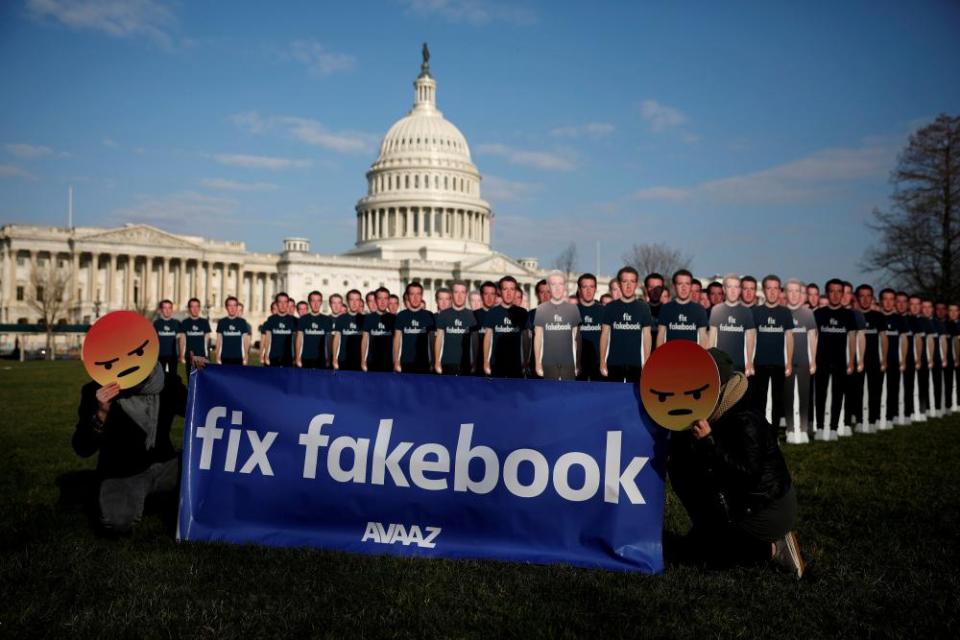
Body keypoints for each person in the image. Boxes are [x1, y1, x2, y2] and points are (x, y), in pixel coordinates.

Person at [667, 348, 803, 578]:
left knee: (715, 559)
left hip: (766, 509)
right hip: (745, 501)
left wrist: (708, 443)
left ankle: (772, 547)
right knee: (682, 465)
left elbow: (747, 475)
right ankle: (709, 532)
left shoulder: (744, 418)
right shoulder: (719, 409)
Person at [73, 355, 206, 534]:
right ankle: (134, 496)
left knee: (203, 468)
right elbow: (82, 447)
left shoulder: (167, 383)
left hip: (165, 465)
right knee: (117, 522)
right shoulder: (96, 391)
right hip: (123, 473)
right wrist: (101, 414)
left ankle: (161, 496)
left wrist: (199, 376)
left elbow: (198, 410)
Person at [813, 279, 857, 439]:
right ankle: (819, 427)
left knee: (838, 394)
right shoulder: (818, 313)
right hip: (821, 360)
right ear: (827, 292)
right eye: (832, 291)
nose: (836, 294)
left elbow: (852, 339)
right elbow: (813, 338)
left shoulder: (849, 315)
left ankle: (833, 428)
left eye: (839, 291)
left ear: (843, 293)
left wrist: (851, 360)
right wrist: (812, 360)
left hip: (841, 361)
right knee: (820, 394)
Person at [750, 275, 793, 429]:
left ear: (780, 291)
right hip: (760, 363)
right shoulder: (756, 312)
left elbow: (789, 337)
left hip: (779, 363)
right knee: (759, 400)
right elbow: (751, 337)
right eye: (769, 288)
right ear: (764, 291)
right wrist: (749, 361)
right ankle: (760, 432)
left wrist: (788, 361)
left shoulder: (785, 313)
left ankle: (773, 434)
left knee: (777, 400)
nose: (773, 292)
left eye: (776, 288)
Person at [599, 266, 653, 383]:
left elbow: (647, 336)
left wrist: (647, 362)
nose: (628, 286)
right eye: (624, 282)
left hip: (636, 364)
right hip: (614, 363)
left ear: (637, 284)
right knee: (613, 398)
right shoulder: (610, 307)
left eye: (632, 281)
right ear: (619, 284)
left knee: (635, 399)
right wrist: (602, 360)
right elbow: (604, 335)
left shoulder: (643, 308)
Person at [783, 279, 817, 442]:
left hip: (804, 361)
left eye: (797, 291)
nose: (794, 294)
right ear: (785, 293)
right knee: (788, 395)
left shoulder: (808, 313)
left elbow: (812, 337)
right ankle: (790, 429)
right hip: (786, 362)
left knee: (804, 395)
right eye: (790, 291)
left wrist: (813, 360)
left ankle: (802, 429)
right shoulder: (782, 312)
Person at [533, 271, 581, 381]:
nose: (557, 288)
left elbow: (576, 339)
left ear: (564, 286)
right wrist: (537, 363)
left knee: (568, 395)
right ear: (549, 287)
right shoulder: (541, 309)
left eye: (560, 284)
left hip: (568, 363)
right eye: (553, 284)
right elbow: (538, 338)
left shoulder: (573, 309)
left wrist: (577, 362)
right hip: (548, 363)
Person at [708, 274, 756, 375]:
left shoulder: (746, 311)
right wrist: (710, 360)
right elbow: (712, 337)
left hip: (739, 364)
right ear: (724, 289)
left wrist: (749, 362)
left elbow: (750, 338)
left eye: (736, 287)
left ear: (740, 290)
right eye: (730, 287)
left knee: (738, 390)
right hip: (720, 363)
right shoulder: (716, 310)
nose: (733, 291)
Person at [483, 276, 529, 378]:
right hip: (496, 363)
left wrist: (526, 362)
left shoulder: (522, 313)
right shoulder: (493, 312)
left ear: (515, 291)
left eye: (512, 289)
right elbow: (487, 338)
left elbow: (526, 339)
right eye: (505, 289)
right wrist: (486, 362)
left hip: (516, 364)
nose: (508, 293)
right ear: (500, 291)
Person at [856, 285, 887, 432]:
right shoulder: (853, 315)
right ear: (857, 298)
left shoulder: (879, 317)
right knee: (857, 391)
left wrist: (884, 359)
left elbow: (883, 339)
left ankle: (873, 420)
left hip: (875, 359)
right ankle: (859, 420)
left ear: (873, 298)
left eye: (868, 296)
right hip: (856, 360)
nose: (865, 299)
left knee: (875, 390)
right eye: (862, 296)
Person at [434, 281, 477, 375]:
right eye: (456, 292)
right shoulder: (443, 315)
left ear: (466, 294)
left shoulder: (472, 315)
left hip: (466, 363)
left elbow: (474, 341)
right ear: (452, 294)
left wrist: (475, 362)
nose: (459, 296)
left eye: (462, 292)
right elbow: (439, 339)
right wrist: (437, 362)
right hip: (447, 363)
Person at [656, 269, 708, 347]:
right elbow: (660, 336)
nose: (684, 288)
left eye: (687, 284)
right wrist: (659, 357)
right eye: (680, 284)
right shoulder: (666, 309)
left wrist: (703, 358)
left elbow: (703, 338)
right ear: (674, 286)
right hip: (670, 356)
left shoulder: (699, 310)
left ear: (691, 286)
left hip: (693, 357)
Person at [879, 288, 907, 427]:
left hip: (894, 359)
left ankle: (891, 414)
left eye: (891, 299)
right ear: (880, 301)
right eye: (886, 299)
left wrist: (903, 359)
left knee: (893, 388)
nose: (888, 302)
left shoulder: (899, 319)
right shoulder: (876, 317)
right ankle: (876, 416)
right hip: (877, 360)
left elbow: (904, 340)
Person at [394, 282, 435, 373]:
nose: (415, 298)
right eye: (412, 294)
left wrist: (433, 361)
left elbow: (432, 340)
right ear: (408, 296)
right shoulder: (401, 316)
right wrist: (396, 361)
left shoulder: (429, 315)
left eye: (418, 294)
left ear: (422, 296)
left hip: (424, 362)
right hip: (406, 362)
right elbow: (397, 340)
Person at [361, 287, 395, 373]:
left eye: (385, 298)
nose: (383, 302)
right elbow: (365, 340)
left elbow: (397, 342)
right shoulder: (368, 318)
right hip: (371, 362)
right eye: (380, 298)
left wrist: (396, 361)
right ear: (375, 300)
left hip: (389, 362)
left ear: (388, 300)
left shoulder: (394, 318)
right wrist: (363, 360)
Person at [576, 273, 603, 381]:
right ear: (579, 289)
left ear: (595, 289)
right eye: (585, 287)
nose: (588, 290)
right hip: (577, 364)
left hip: (598, 364)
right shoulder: (571, 311)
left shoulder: (604, 311)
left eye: (591, 287)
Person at [296, 290, 333, 369]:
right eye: (313, 301)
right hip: (306, 358)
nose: (316, 304)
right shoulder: (303, 319)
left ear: (321, 302)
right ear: (309, 302)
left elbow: (329, 341)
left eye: (318, 301)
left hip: (321, 359)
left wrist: (329, 358)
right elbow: (299, 339)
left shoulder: (327, 319)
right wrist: (298, 358)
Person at [896, 292, 918, 423]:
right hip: (892, 358)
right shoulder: (888, 318)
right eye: (898, 301)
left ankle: (907, 412)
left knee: (908, 386)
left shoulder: (914, 321)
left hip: (909, 358)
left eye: (904, 301)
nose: (901, 304)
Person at [332, 290, 364, 371]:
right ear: (347, 301)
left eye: (357, 300)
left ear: (360, 302)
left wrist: (364, 361)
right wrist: (334, 359)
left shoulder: (365, 319)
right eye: (351, 300)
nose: (354, 303)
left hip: (359, 360)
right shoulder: (341, 318)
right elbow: (336, 339)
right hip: (343, 359)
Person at [909, 295, 930, 419]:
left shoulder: (926, 322)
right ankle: (910, 409)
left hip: (923, 358)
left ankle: (923, 408)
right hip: (908, 358)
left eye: (917, 304)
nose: (915, 307)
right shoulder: (905, 320)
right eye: (912, 304)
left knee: (923, 384)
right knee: (909, 385)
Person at [260, 292, 295, 367]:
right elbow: (267, 339)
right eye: (280, 302)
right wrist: (265, 356)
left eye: (285, 302)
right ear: (276, 304)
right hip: (273, 358)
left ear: (288, 304)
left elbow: (296, 340)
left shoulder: (294, 321)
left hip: (289, 359)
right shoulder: (271, 319)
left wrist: (296, 357)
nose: (282, 305)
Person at [177, 298, 211, 372]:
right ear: (189, 308)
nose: (195, 309)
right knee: (191, 378)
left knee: (202, 379)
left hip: (202, 356)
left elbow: (207, 340)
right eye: (192, 307)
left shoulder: (204, 322)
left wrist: (207, 355)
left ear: (199, 308)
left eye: (197, 306)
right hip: (190, 356)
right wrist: (182, 356)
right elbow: (182, 340)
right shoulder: (185, 322)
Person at [215, 296, 250, 365]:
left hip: (239, 357)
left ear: (237, 307)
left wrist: (246, 355)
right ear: (226, 307)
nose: (232, 308)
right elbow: (218, 340)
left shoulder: (242, 322)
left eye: (234, 305)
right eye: (230, 305)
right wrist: (217, 356)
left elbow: (245, 341)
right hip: (224, 357)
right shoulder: (222, 322)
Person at [153, 300, 179, 374]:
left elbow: (181, 340)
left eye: (169, 308)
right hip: (160, 356)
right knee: (161, 378)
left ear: (172, 310)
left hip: (173, 356)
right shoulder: (156, 323)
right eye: (165, 308)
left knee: (173, 377)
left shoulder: (176, 323)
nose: (167, 310)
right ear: (161, 310)